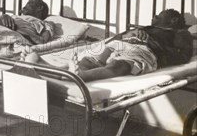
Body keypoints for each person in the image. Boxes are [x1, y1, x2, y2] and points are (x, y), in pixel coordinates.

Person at [53, 9, 193, 82]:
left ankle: (80, 77)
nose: (154, 16)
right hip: (121, 43)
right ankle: (67, 74)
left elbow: (183, 57)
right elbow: (116, 38)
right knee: (93, 59)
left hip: (144, 50)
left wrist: (153, 44)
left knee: (120, 65)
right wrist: (128, 34)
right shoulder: (144, 28)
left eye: (160, 15)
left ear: (173, 20)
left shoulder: (179, 33)